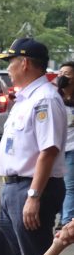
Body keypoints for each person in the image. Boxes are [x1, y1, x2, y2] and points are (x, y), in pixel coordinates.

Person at [0, 37, 67, 255]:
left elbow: (48, 151)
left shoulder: (45, 99)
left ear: (25, 62)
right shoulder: (26, 97)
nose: (8, 68)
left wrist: (34, 196)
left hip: (32, 186)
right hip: (13, 185)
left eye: (10, 62)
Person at [57, 61, 74, 225]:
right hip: (56, 151)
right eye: (60, 73)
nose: (62, 77)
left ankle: (66, 221)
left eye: (67, 74)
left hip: (72, 150)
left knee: (69, 187)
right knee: (60, 187)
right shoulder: (54, 99)